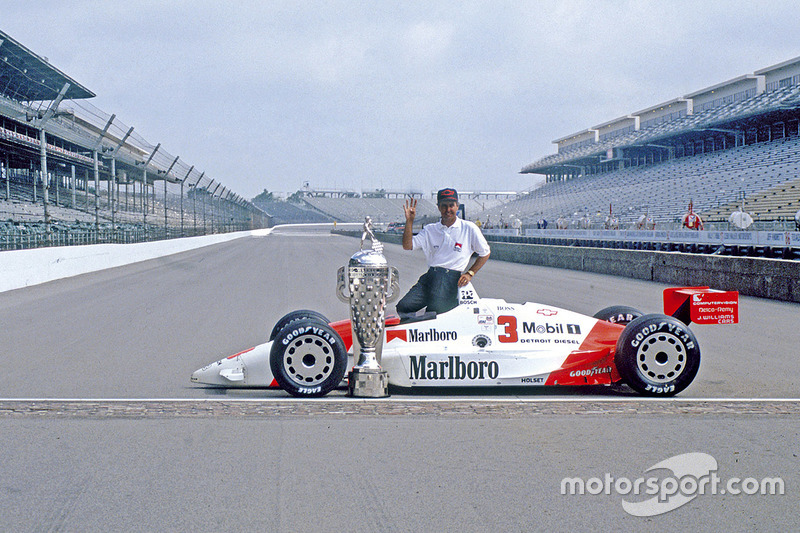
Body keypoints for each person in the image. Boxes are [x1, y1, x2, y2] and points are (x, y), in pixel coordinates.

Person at [397, 188, 490, 316]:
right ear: (438, 207)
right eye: (444, 206)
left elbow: (485, 253)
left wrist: (470, 273)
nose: (448, 210)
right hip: (430, 277)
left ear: (457, 206)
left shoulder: (468, 228)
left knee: (433, 315)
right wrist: (409, 221)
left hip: (449, 279)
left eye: (451, 205)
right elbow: (408, 246)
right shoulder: (430, 229)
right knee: (404, 306)